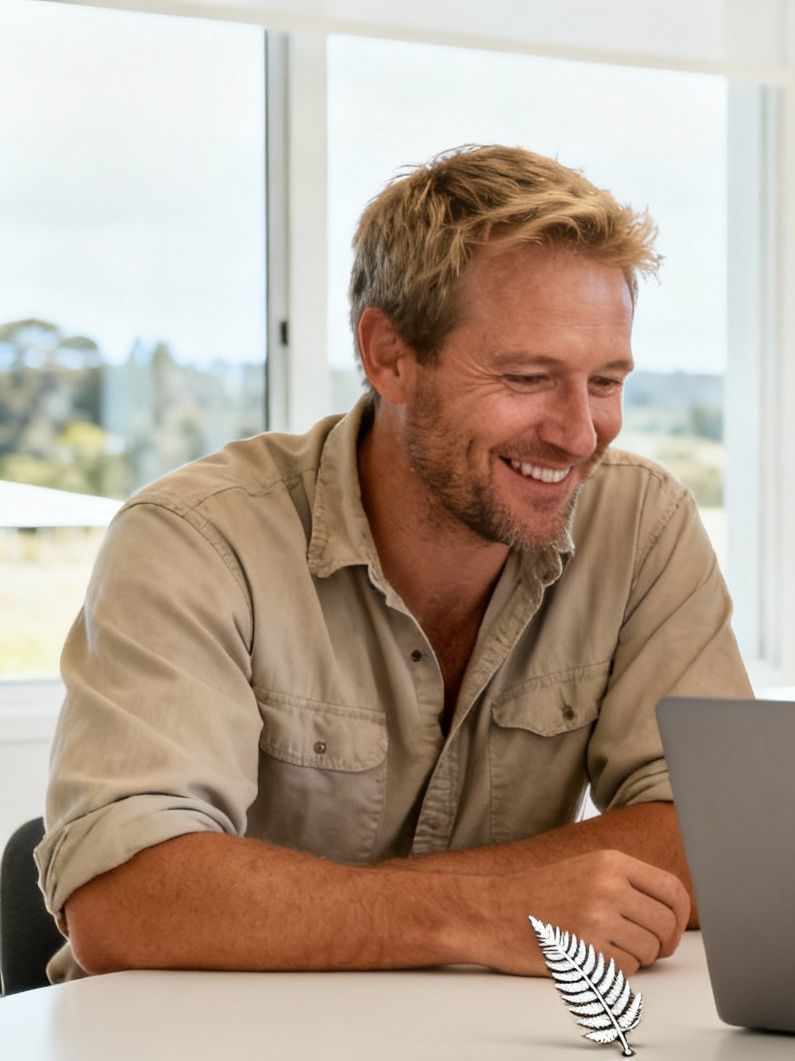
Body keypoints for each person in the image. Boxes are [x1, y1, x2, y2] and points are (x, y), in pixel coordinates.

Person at [37, 145, 751, 982]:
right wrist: (489, 911)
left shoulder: (642, 524)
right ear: (389, 356)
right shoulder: (195, 537)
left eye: (605, 380)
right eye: (528, 376)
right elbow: (129, 900)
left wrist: (322, 909)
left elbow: (718, 836)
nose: (579, 432)